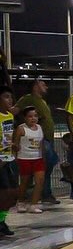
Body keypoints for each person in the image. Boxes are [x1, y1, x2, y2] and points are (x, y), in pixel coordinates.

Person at [14, 79, 60, 205]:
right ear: (35, 86)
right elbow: (15, 110)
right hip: (39, 140)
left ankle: (40, 193)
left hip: (46, 138)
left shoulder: (42, 101)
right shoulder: (28, 98)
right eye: (42, 83)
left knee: (47, 166)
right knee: (45, 165)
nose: (46, 86)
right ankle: (38, 194)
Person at [14, 106, 46, 213]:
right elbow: (16, 144)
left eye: (35, 116)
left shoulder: (40, 128)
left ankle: (34, 204)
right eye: (30, 116)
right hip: (24, 158)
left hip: (38, 158)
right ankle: (21, 201)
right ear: (25, 118)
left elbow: (41, 144)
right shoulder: (21, 128)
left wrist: (43, 157)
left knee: (40, 181)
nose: (33, 118)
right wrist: (15, 157)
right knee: (25, 182)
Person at [0, 86, 18, 235]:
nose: (10, 100)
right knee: (5, 192)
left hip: (8, 158)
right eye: (6, 97)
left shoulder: (9, 116)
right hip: (1, 159)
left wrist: (13, 145)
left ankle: (1, 220)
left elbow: (7, 137)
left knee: (12, 194)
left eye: (10, 97)